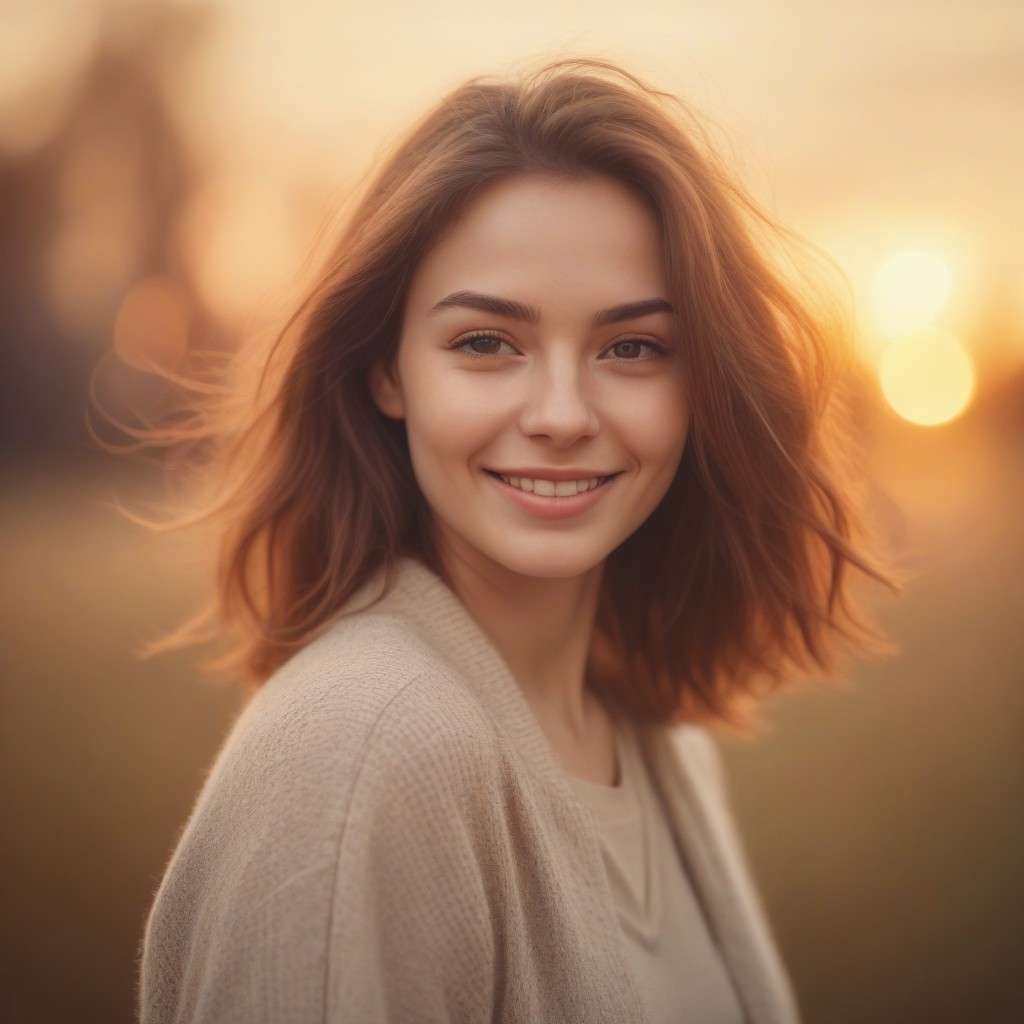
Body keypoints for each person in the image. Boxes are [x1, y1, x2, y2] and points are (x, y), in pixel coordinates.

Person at [138, 58, 891, 1024]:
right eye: (487, 342)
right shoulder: (359, 760)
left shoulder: (656, 739)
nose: (564, 415)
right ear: (387, 371)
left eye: (632, 347)